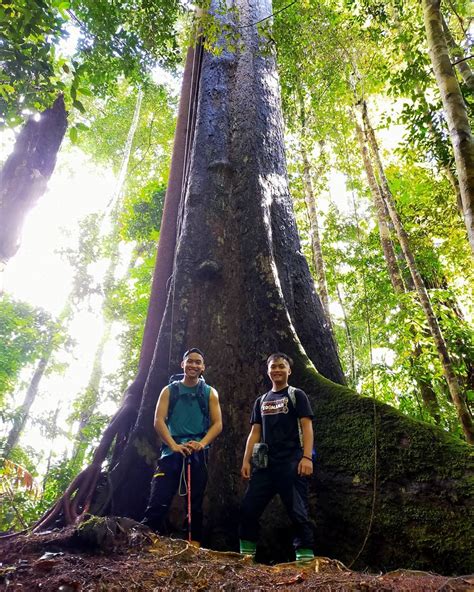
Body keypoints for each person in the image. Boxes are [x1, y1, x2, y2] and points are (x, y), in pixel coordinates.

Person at [239, 352, 315, 561]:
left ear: (289, 370)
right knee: (248, 508)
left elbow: (307, 427)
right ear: (268, 371)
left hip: (291, 462)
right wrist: (246, 461)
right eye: (273, 367)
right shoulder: (261, 400)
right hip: (265, 465)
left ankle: (305, 559)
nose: (277, 370)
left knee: (297, 512)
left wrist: (306, 457)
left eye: (281, 366)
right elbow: (254, 433)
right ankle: (246, 557)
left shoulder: (296, 395)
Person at [142, 348, 222, 544]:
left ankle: (193, 543)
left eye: (198, 362)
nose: (193, 365)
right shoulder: (169, 390)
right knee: (160, 496)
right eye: (190, 361)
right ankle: (145, 540)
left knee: (195, 501)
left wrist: (202, 444)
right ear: (183, 364)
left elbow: (218, 423)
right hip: (171, 450)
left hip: (198, 452)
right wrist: (174, 445)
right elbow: (158, 420)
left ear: (203, 367)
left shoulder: (209, 393)